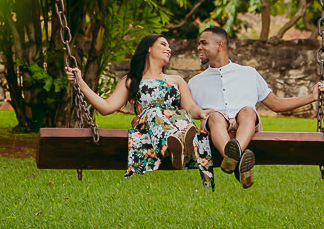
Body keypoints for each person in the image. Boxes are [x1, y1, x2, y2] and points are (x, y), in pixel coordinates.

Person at [66, 34, 216, 189]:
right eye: (163, 44)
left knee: (181, 116)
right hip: (149, 123)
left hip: (177, 120)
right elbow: (106, 107)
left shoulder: (176, 80)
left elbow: (190, 108)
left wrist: (202, 113)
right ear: (149, 48)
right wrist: (81, 83)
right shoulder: (131, 81)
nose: (169, 49)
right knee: (154, 113)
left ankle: (178, 144)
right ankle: (174, 143)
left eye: (169, 46)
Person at [189, 26, 324, 190]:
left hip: (246, 124)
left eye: (203, 43)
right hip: (214, 126)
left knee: (248, 110)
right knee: (215, 116)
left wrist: (312, 98)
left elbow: (276, 104)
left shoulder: (248, 73)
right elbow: (188, 110)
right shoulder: (195, 82)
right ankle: (237, 159)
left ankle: (232, 156)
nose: (199, 48)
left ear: (220, 45)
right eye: (198, 44)